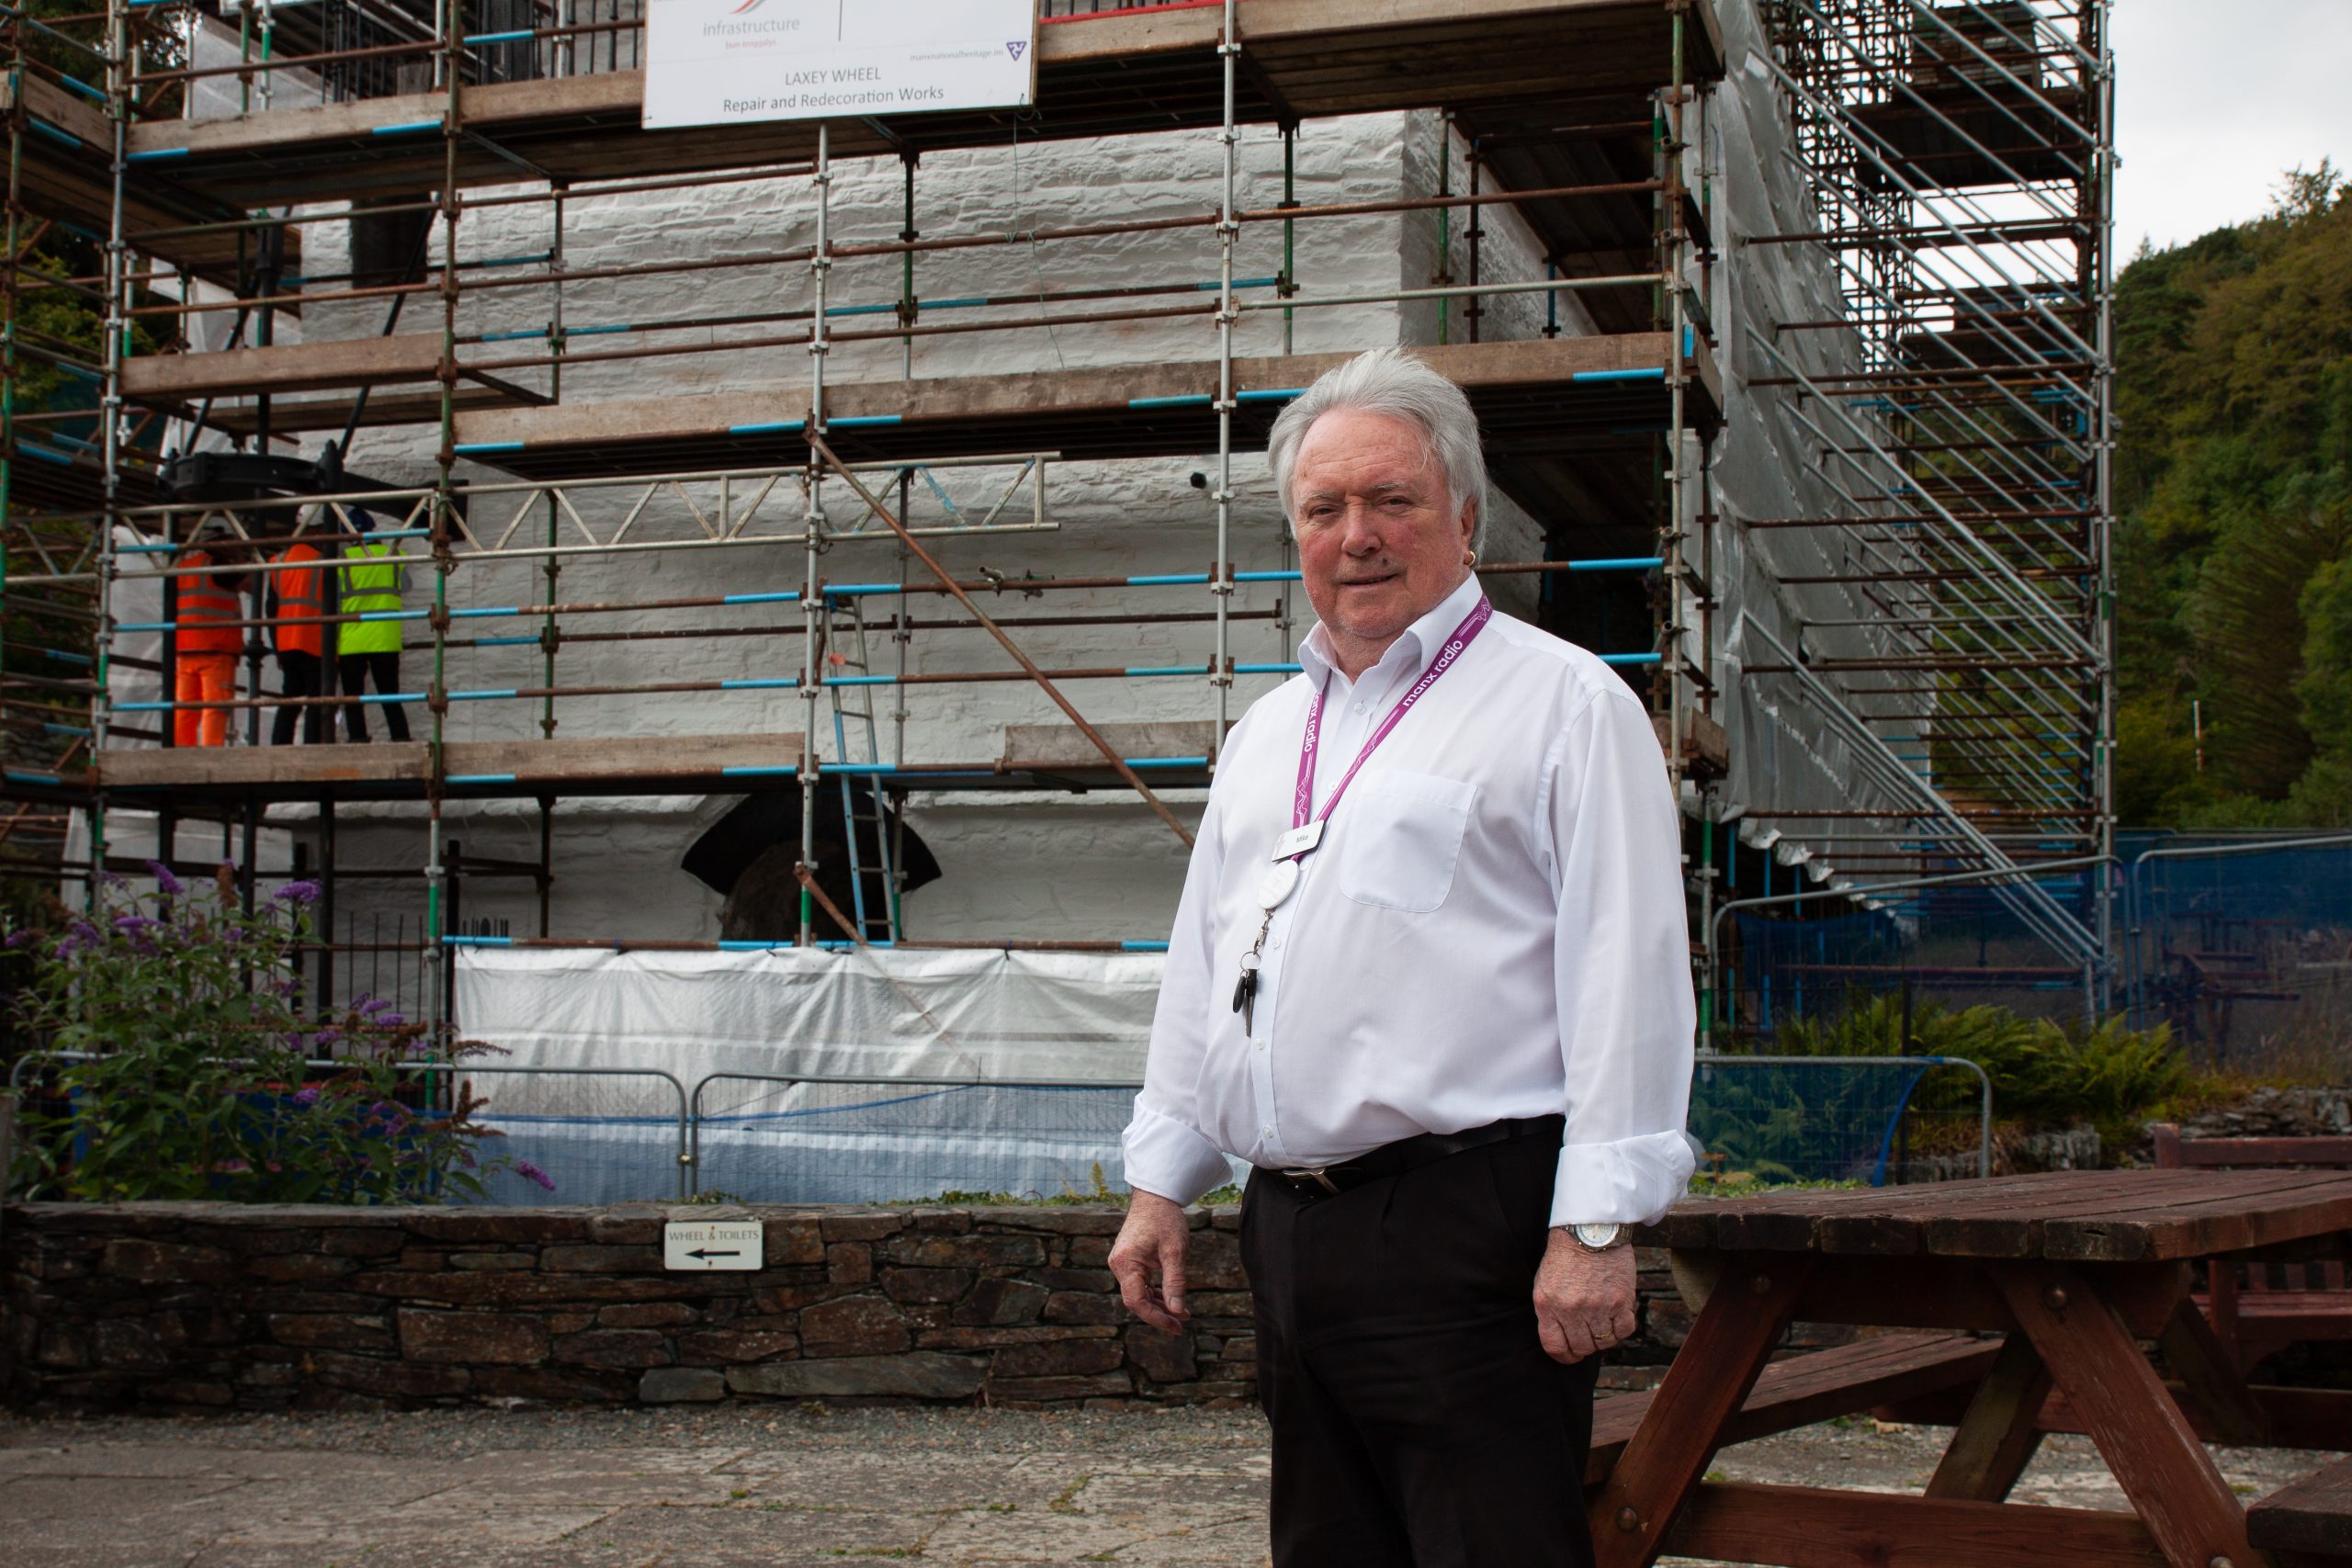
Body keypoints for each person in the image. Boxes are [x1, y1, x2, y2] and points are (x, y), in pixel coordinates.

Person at [1108, 347, 1696, 1568]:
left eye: (1393, 501)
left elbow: (1627, 970)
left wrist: (1595, 1228)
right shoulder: (1271, 728)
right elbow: (1205, 962)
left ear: (1466, 519)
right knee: (1328, 1547)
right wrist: (1167, 1176)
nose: (1356, 535)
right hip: (1292, 1226)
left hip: (1468, 1220)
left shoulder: (1565, 702)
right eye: (1324, 509)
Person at [335, 509, 411, 742]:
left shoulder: (343, 560)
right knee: (390, 696)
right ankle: (400, 739)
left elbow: (336, 597)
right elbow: (405, 586)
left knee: (353, 698)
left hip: (352, 638)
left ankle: (357, 739)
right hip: (384, 637)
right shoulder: (393, 555)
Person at [171, 529, 243, 748]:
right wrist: (240, 557)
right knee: (215, 706)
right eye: (231, 540)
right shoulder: (220, 566)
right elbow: (250, 582)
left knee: (185, 707)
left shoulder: (183, 567)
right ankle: (212, 750)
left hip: (185, 647)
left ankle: (182, 751)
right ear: (218, 541)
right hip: (216, 647)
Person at [266, 535, 327, 744]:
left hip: (286, 640)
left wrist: (276, 646)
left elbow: (271, 608)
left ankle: (279, 744)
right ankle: (313, 744)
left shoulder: (278, 561)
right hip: (313, 639)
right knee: (316, 698)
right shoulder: (323, 560)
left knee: (289, 696)